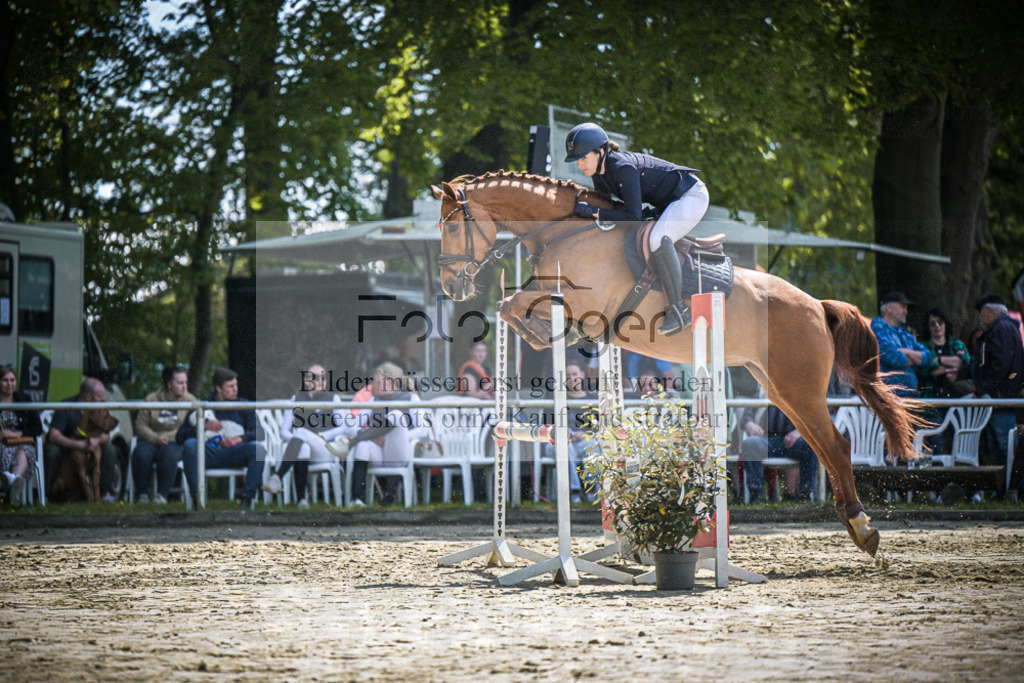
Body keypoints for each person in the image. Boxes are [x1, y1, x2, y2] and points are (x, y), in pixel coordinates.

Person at [565, 121, 709, 336]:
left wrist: (595, 213)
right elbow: (611, 209)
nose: (580, 165)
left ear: (601, 151)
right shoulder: (599, 172)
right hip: (667, 203)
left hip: (690, 196)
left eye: (584, 158)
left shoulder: (623, 167)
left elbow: (633, 216)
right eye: (578, 160)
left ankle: (679, 310)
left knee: (658, 239)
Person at [176, 367, 266, 510]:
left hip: (234, 451)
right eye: (230, 386)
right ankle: (197, 500)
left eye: (236, 385)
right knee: (190, 445)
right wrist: (203, 426)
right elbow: (180, 437)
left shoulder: (244, 405)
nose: (235, 389)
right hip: (208, 451)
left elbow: (260, 433)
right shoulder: (202, 406)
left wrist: (239, 439)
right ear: (218, 388)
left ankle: (247, 499)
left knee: (258, 449)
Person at [262, 364, 348, 508]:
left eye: (323, 377)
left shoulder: (333, 398)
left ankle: (278, 477)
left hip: (325, 449)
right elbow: (284, 431)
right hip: (304, 448)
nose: (321, 381)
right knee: (303, 446)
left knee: (301, 432)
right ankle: (302, 500)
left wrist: (323, 435)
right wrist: (297, 441)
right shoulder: (296, 399)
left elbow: (343, 427)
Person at [971, 293, 1024, 495]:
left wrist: (984, 389)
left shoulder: (1000, 329)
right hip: (1001, 398)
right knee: (1000, 447)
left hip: (1000, 400)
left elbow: (999, 364)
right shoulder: (1007, 329)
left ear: (988, 311)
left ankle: (1014, 489)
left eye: (981, 312)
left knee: (1005, 447)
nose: (980, 317)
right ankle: (1006, 490)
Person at [347, 362, 419, 506]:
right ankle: (356, 499)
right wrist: (374, 437)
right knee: (363, 445)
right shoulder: (374, 401)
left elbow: (423, 429)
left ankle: (390, 493)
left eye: (377, 382)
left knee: (396, 415)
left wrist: (397, 437)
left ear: (390, 382)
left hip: (398, 451)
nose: (373, 385)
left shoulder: (410, 398)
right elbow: (354, 425)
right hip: (379, 452)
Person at [44, 377, 120, 502]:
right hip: (66, 449)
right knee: (51, 451)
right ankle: (46, 494)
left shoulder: (100, 407)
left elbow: (106, 435)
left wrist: (97, 440)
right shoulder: (66, 406)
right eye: (100, 396)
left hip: (90, 447)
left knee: (110, 449)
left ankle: (103, 494)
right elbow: (54, 435)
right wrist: (79, 445)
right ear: (88, 397)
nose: (103, 399)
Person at [739, 385, 818, 502]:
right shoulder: (764, 388)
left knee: (810, 445)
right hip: (767, 439)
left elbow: (815, 418)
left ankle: (806, 494)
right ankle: (757, 494)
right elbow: (746, 415)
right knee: (750, 443)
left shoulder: (803, 390)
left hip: (795, 440)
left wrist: (799, 432)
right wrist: (750, 424)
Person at [132, 365, 196, 504]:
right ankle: (142, 495)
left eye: (186, 382)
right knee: (141, 453)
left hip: (176, 440)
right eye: (180, 383)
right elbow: (140, 425)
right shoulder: (151, 399)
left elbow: (193, 426)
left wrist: (170, 437)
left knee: (169, 454)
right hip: (152, 438)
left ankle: (161, 496)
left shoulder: (190, 400)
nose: (184, 386)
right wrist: (155, 438)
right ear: (169, 384)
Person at [543, 359, 600, 504]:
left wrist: (585, 434)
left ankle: (591, 489)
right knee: (565, 444)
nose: (572, 378)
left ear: (582, 374)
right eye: (567, 375)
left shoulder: (594, 401)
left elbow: (601, 431)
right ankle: (573, 492)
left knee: (592, 444)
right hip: (555, 444)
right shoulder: (554, 399)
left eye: (575, 374)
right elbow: (547, 427)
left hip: (583, 444)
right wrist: (565, 434)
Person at [870, 291, 932, 396]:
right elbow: (895, 358)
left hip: (910, 395)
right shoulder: (877, 329)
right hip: (888, 397)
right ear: (889, 308)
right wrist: (915, 358)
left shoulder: (904, 333)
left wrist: (906, 352)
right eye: (903, 307)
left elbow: (928, 358)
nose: (906, 311)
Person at [0, 364, 43, 507]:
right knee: (7, 450)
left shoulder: (23, 399)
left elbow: (38, 428)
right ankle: (14, 486)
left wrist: (16, 433)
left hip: (21, 441)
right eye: (5, 380)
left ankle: (12, 478)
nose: (9, 384)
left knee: (23, 450)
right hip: (2, 443)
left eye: (12, 380)